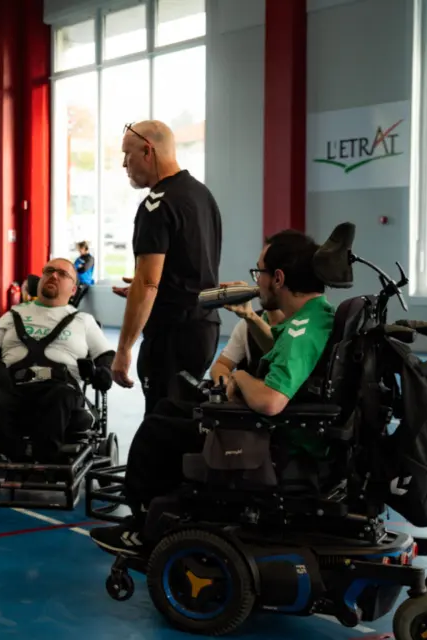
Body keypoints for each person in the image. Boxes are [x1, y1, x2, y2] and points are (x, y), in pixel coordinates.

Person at [90, 230, 335, 556]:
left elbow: (270, 401)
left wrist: (242, 377)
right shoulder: (316, 316)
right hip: (285, 432)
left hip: (276, 442)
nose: (256, 280)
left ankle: (145, 526)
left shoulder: (301, 330)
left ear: (278, 278)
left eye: (259, 272)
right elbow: (282, 358)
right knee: (170, 408)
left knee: (158, 431)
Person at [109, 120, 223, 414]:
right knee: (183, 417)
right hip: (205, 327)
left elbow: (148, 283)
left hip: (173, 335)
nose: (124, 164)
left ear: (148, 151)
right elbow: (188, 266)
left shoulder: (156, 204)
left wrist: (123, 350)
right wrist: (141, 288)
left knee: (163, 423)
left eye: (128, 154)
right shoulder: (201, 195)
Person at [0, 258, 114, 460]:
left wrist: (102, 372)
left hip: (60, 390)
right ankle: (16, 458)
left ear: (73, 290)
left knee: (59, 397)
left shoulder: (83, 321)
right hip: (15, 388)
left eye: (62, 274)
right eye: (49, 271)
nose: (53, 275)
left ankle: (46, 459)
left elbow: (105, 355)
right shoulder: (14, 314)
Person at [208, 293, 285, 385]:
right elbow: (222, 364)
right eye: (257, 278)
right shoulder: (245, 325)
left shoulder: (303, 325)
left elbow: (282, 355)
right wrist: (224, 383)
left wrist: (251, 316)